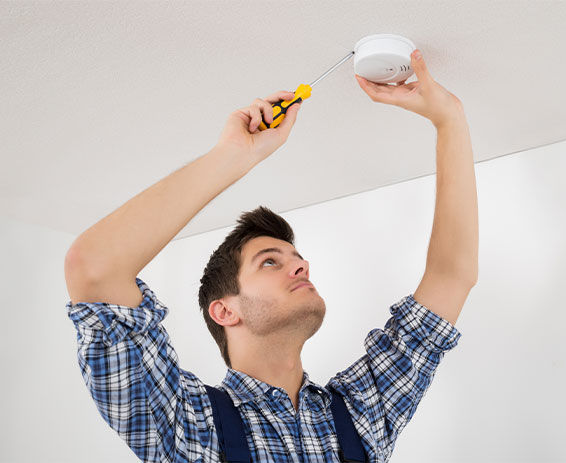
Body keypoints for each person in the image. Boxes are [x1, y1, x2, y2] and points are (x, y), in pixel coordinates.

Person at [64, 49, 478, 463]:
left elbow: (451, 277)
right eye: (270, 262)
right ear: (224, 311)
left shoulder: (361, 413)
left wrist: (450, 119)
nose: (302, 265)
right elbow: (95, 268)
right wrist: (234, 155)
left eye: (294, 257)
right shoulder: (189, 426)